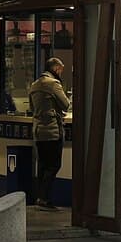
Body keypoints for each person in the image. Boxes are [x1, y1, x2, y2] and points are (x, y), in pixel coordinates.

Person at [28, 57, 70, 210]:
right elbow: (66, 104)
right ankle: (45, 198)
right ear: (55, 68)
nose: (61, 73)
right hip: (53, 130)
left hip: (38, 130)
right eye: (60, 70)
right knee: (54, 165)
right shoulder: (53, 84)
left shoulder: (34, 85)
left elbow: (32, 107)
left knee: (43, 165)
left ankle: (40, 197)